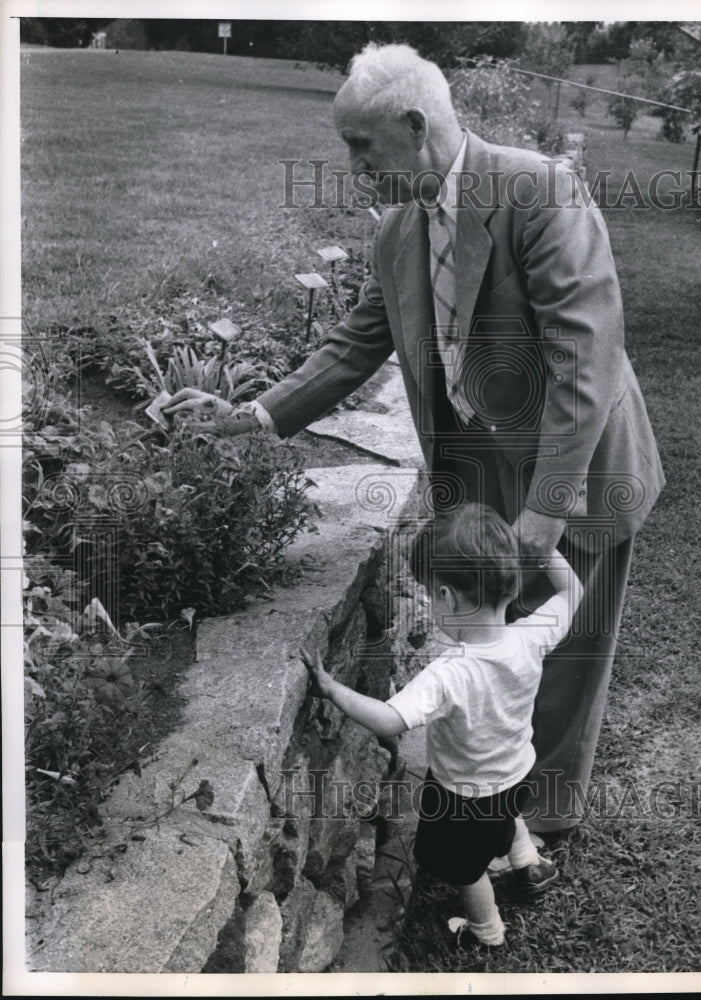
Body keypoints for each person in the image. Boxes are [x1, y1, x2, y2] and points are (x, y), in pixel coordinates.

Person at [164, 43, 665, 837]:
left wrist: (546, 510)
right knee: (501, 634)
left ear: (414, 124)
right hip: (483, 463)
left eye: (361, 145)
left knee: (570, 647)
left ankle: (544, 819)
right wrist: (253, 413)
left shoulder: (538, 191)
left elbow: (586, 363)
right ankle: (499, 797)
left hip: (577, 462)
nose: (353, 166)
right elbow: (355, 343)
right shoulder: (400, 230)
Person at [300, 503, 583, 948]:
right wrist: (542, 547)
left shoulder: (449, 674)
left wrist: (332, 689)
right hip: (518, 772)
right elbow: (572, 592)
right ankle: (529, 863)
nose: (431, 604)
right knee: (505, 816)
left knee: (464, 870)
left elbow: (389, 718)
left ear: (448, 597)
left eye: (430, 595)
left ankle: (486, 931)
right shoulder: (531, 636)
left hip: (463, 796)